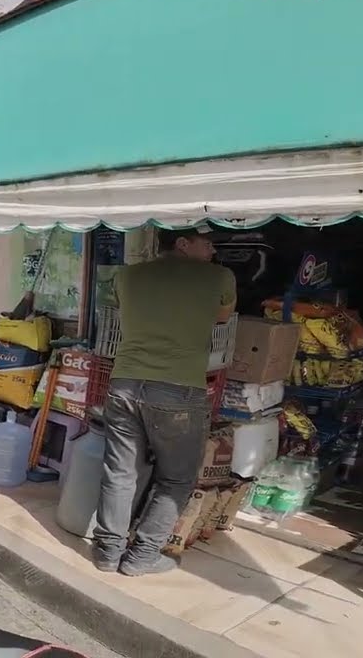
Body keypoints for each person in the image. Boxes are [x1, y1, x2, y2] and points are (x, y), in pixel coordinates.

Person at [93, 226, 236, 576]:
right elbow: (221, 317)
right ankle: (141, 557)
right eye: (207, 242)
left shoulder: (127, 276)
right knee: (175, 480)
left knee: (120, 471)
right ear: (183, 243)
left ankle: (107, 553)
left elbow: (125, 310)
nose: (213, 249)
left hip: (124, 384)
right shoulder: (220, 277)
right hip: (177, 391)